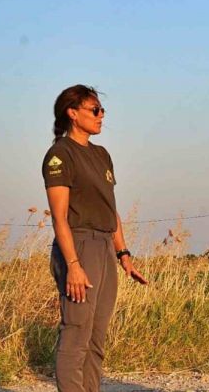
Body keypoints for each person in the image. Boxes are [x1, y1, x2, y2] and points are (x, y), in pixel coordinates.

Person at [42, 85, 147, 392]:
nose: (102, 116)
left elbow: (110, 209)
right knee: (77, 332)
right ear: (72, 114)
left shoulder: (101, 155)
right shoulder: (60, 155)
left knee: (96, 336)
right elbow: (60, 218)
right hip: (79, 244)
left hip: (103, 246)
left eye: (102, 110)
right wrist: (73, 264)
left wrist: (123, 254)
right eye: (95, 110)